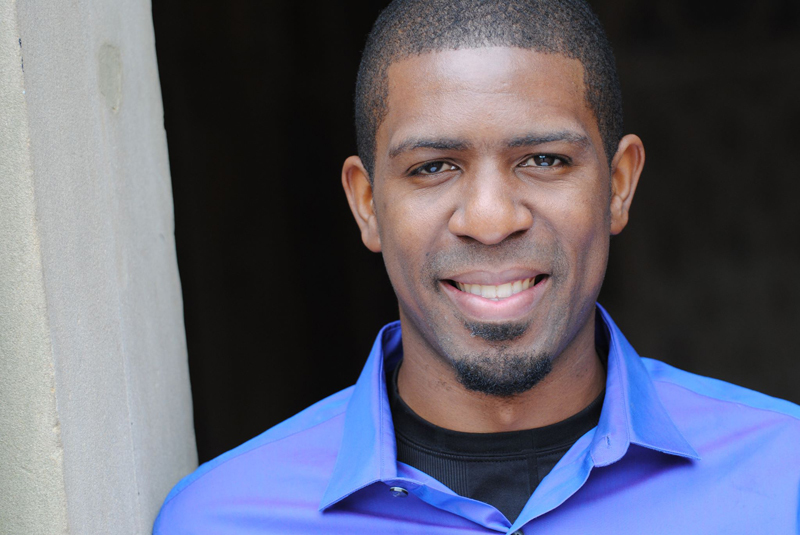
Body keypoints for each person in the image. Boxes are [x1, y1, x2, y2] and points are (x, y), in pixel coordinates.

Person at [154, 0, 800, 533]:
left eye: (544, 160)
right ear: (368, 204)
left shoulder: (784, 479)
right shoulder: (222, 520)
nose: (491, 220)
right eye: (433, 167)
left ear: (619, 185)